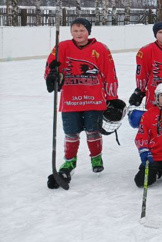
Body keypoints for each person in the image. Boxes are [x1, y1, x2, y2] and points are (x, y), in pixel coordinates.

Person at [45, 18, 122, 188]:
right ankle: (69, 162)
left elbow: (110, 72)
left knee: (93, 131)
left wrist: (112, 96)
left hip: (94, 99)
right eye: (75, 30)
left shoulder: (101, 48)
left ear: (88, 31)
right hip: (71, 99)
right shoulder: (62, 47)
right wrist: (52, 76)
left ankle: (96, 157)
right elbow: (51, 67)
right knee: (71, 133)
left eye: (82, 30)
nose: (79, 34)